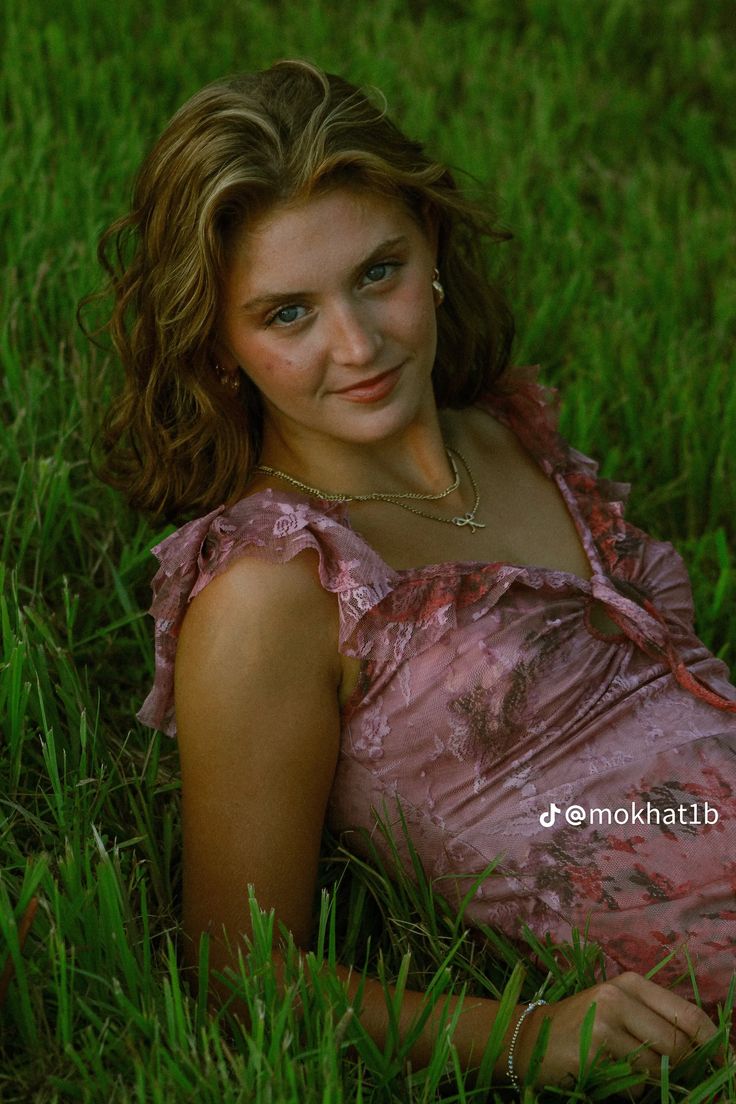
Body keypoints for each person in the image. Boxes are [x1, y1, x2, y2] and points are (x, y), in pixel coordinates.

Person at [92, 58, 735, 1089]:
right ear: (218, 344)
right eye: (286, 314)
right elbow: (237, 971)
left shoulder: (504, 435)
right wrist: (531, 1037)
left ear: (429, 245)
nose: (358, 345)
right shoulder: (272, 592)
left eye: (377, 272)